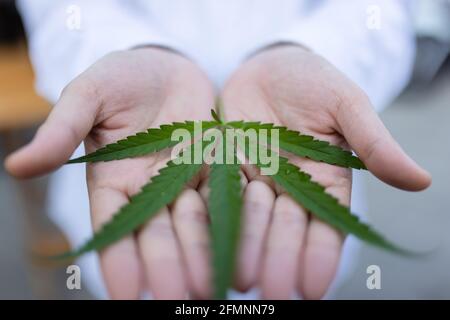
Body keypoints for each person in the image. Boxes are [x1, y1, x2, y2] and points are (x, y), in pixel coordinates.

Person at [5, 0, 431, 299]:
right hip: (129, 173)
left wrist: (317, 52)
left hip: (299, 189)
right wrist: (130, 48)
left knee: (290, 278)